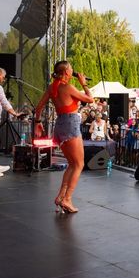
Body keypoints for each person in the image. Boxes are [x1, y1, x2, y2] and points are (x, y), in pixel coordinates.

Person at [34, 61, 93, 213]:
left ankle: (61, 197)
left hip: (60, 125)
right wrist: (84, 84)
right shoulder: (68, 87)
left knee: (72, 164)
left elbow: (38, 108)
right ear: (66, 72)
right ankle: (67, 199)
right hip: (70, 124)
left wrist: (38, 123)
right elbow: (90, 99)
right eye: (71, 67)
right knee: (79, 164)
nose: (73, 69)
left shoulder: (52, 87)